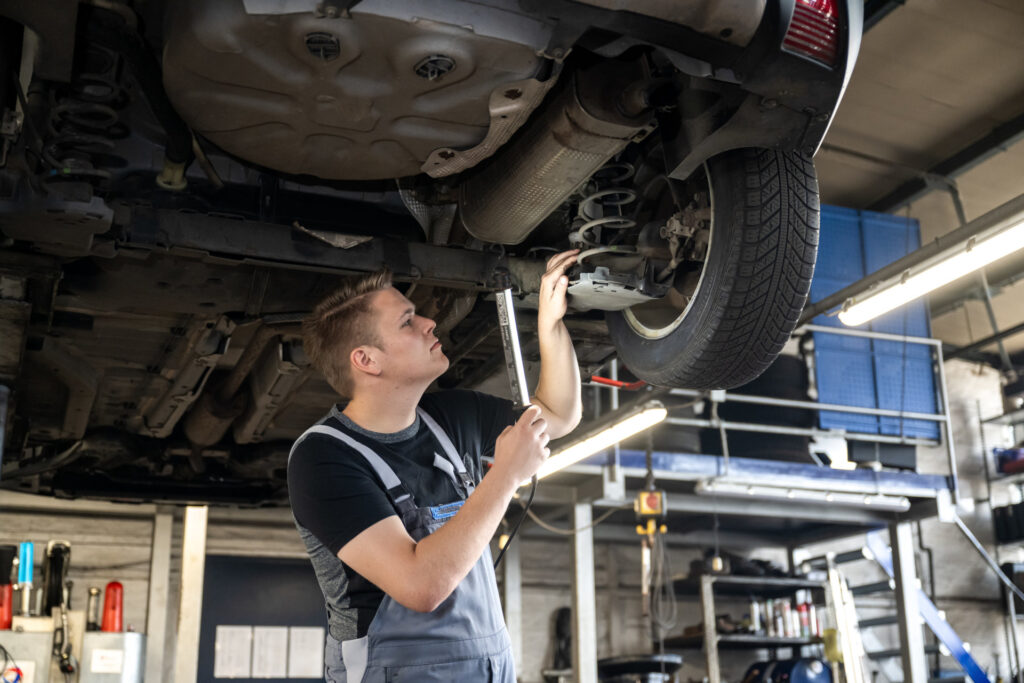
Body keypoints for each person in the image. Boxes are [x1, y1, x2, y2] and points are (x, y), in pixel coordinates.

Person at [288, 250, 583, 682]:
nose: (429, 323)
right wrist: (505, 475)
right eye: (407, 321)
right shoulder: (324, 458)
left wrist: (549, 324)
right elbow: (420, 586)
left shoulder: (452, 417)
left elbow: (557, 414)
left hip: (487, 667)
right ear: (366, 360)